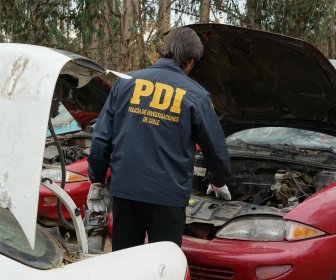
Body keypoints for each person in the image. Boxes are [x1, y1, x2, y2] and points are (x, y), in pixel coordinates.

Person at [87, 26, 231, 251]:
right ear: (191, 60)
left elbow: (101, 138)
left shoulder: (125, 83)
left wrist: (96, 179)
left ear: (163, 50)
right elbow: (216, 150)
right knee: (163, 266)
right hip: (168, 199)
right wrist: (218, 180)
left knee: (124, 264)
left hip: (126, 193)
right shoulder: (197, 96)